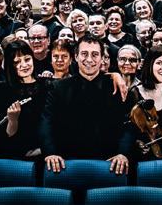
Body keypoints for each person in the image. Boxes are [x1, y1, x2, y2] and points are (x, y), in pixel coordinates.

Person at [41, 35, 131, 173]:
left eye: (95, 54)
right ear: (76, 57)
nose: (89, 59)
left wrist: (123, 153)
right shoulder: (59, 87)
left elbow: (127, 124)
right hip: (67, 165)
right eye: (84, 54)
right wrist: (50, 152)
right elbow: (46, 122)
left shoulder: (115, 87)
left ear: (102, 58)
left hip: (109, 166)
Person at [127, 46, 162, 158]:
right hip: (140, 161)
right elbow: (127, 132)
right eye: (159, 63)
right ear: (150, 64)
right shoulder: (134, 94)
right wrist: (137, 144)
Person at [3, 36, 50, 158]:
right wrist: (13, 119)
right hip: (19, 154)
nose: (24, 65)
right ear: (10, 65)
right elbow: (8, 136)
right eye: (17, 62)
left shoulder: (48, 85)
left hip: (47, 150)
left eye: (27, 59)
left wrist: (44, 149)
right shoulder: (5, 90)